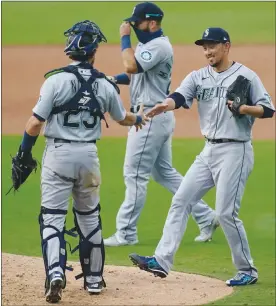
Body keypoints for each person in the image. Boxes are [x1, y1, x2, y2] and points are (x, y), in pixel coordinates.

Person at [11, 20, 148, 303]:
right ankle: (95, 280)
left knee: (52, 218)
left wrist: (25, 153)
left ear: (70, 49)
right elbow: (122, 118)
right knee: (89, 218)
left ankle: (56, 273)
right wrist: (139, 118)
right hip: (88, 157)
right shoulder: (105, 84)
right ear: (94, 51)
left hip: (58, 156)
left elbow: (35, 123)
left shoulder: (55, 80)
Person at [129, 27, 275, 286]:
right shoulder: (198, 76)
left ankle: (247, 270)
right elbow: (179, 96)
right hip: (208, 150)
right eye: (204, 46)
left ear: (226, 46)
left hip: (236, 150)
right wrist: (164, 105)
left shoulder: (246, 76)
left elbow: (268, 109)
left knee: (226, 213)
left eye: (212, 45)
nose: (207, 51)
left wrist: (244, 108)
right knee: (181, 200)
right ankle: (162, 261)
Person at [104, 2, 218, 247]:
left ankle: (126, 233)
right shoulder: (150, 45)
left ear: (152, 22)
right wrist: (114, 79)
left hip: (149, 118)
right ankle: (206, 216)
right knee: (163, 173)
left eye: (137, 22)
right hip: (157, 117)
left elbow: (131, 65)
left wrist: (124, 39)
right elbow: (136, 74)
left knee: (134, 175)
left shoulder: (158, 45)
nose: (133, 25)